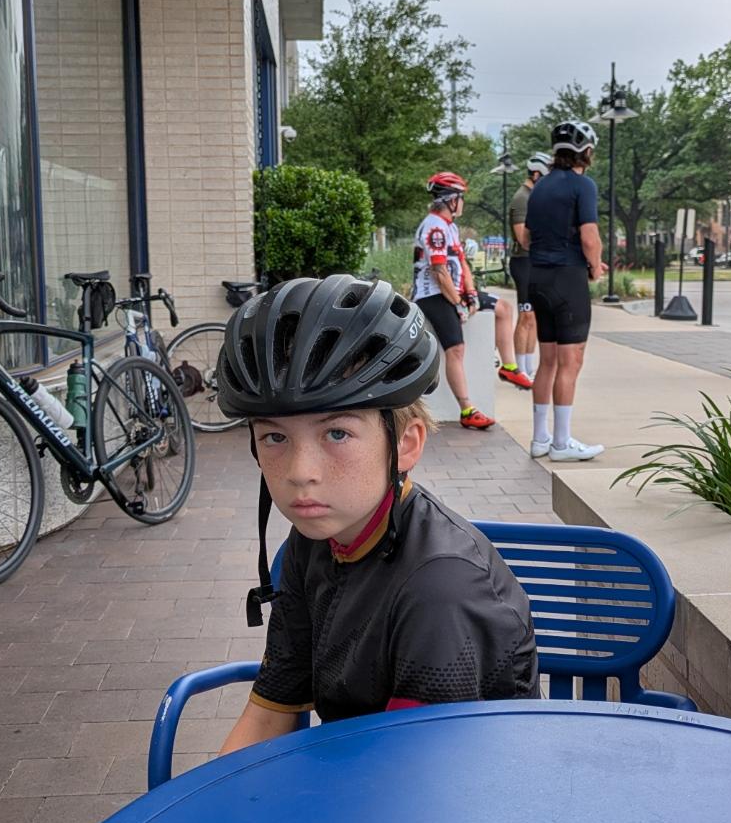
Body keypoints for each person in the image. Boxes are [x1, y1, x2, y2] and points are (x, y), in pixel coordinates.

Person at [214, 274, 539, 749]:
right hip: (360, 771)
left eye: (337, 434)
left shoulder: (440, 587)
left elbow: (410, 771)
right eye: (275, 437)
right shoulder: (315, 538)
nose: (301, 473)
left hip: (440, 791)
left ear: (405, 444)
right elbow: (271, 705)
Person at [412, 172, 527, 432]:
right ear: (451, 199)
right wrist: (459, 304)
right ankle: (467, 409)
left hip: (454, 291)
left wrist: (472, 294)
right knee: (456, 349)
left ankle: (509, 367)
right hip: (432, 295)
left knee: (503, 309)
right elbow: (439, 273)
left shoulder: (450, 226)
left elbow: (462, 264)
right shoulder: (434, 227)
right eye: (461, 198)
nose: (463, 203)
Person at [523, 121, 607, 462]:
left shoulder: (539, 187)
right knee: (571, 361)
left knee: (548, 361)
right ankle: (561, 443)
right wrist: (596, 267)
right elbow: (590, 237)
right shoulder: (582, 185)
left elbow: (526, 238)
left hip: (538, 277)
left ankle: (540, 439)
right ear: (585, 151)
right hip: (567, 279)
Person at [507, 151, 551, 382]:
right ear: (535, 174)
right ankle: (519, 368)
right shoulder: (521, 198)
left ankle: (528, 367)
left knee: (534, 317)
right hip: (523, 261)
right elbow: (523, 237)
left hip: (535, 261)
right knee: (526, 316)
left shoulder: (534, 197)